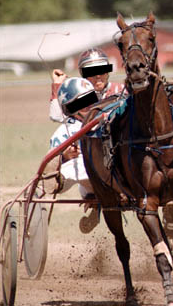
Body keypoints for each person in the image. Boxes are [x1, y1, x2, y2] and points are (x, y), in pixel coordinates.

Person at [48, 77, 101, 233]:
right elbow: (50, 159)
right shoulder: (66, 130)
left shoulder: (104, 120)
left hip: (107, 175)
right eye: (83, 103)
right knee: (77, 165)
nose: (90, 106)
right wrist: (64, 156)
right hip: (83, 179)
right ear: (71, 108)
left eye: (91, 99)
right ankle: (58, 182)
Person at [49, 48, 125, 122]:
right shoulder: (82, 97)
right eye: (91, 72)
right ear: (83, 74)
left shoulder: (122, 90)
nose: (98, 76)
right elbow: (56, 116)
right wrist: (57, 85)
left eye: (102, 70)